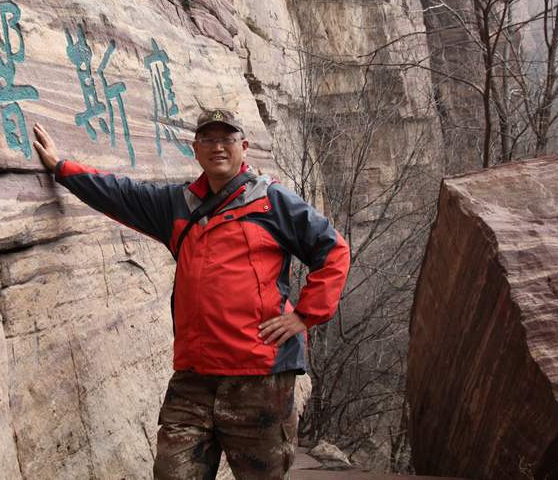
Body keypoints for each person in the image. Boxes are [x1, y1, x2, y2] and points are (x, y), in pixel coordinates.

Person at [32, 108, 350, 480]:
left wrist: (303, 315)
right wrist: (62, 168)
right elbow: (121, 194)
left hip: (259, 378)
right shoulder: (178, 205)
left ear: (243, 147)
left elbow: (333, 251)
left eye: (227, 139)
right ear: (195, 149)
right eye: (208, 140)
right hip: (193, 378)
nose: (218, 147)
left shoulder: (272, 201)